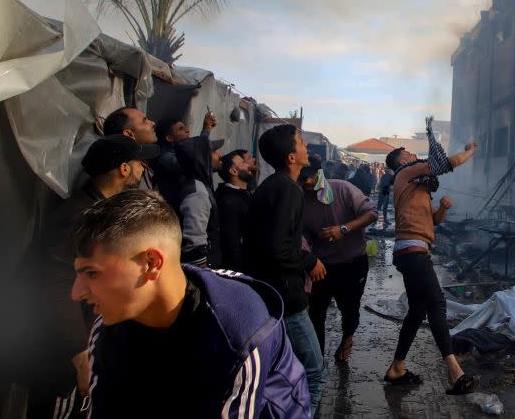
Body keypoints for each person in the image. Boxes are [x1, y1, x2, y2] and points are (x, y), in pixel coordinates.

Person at [70, 189, 310, 418]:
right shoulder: (107, 329)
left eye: (91, 273)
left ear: (151, 263)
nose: (76, 292)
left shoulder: (237, 333)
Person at [18, 135, 158, 418]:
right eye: (138, 162)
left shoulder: (99, 212)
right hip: (64, 361)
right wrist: (79, 353)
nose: (144, 169)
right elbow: (55, 284)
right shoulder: (81, 216)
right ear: (124, 169)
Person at [382, 117, 479, 395]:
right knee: (437, 301)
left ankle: (397, 367)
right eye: (409, 154)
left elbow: (432, 221)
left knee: (417, 310)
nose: (415, 155)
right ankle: (454, 372)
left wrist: (444, 209)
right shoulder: (406, 172)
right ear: (401, 161)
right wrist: (470, 150)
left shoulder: (417, 185)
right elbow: (447, 163)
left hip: (412, 249)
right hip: (412, 251)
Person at [243, 124, 327, 415]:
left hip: (269, 293)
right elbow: (278, 248)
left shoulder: (275, 187)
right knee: (315, 373)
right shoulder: (287, 190)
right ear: (292, 157)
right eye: (302, 143)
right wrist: (310, 261)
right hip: (285, 297)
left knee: (281, 372)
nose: (307, 148)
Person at [298, 157, 377, 361]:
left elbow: (371, 213)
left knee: (350, 311)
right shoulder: (300, 200)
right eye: (302, 177)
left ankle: (347, 338)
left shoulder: (342, 188)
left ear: (320, 173)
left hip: (353, 263)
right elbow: (301, 234)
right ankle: (317, 362)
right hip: (322, 266)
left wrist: (343, 229)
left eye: (310, 176)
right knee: (316, 314)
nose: (307, 182)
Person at [161, 135, 225, 267]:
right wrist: (204, 277)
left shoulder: (196, 185)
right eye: (213, 151)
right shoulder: (197, 193)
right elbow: (194, 246)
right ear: (201, 158)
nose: (219, 155)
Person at [151, 111, 217, 190]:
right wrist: (206, 130)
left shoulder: (177, 150)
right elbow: (194, 162)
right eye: (181, 129)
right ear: (169, 138)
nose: (187, 131)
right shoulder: (166, 158)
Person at [216, 150, 255, 272]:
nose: (248, 165)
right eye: (243, 163)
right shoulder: (229, 201)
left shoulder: (243, 195)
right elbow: (232, 241)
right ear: (233, 171)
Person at [102, 107, 158, 190]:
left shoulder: (142, 163)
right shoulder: (124, 179)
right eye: (144, 121)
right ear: (129, 134)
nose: (153, 123)